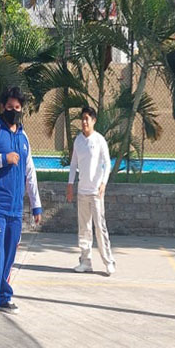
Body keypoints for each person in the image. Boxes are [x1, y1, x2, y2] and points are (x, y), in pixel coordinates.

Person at [0, 86, 42, 324]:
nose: (14, 111)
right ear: (1, 107)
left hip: (16, 208)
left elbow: (30, 171)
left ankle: (3, 294)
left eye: (18, 108)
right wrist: (2, 159)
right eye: (10, 107)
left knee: (9, 254)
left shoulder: (23, 136)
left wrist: (36, 205)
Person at [66, 106, 115, 276]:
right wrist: (70, 185)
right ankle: (85, 261)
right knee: (84, 229)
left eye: (87, 119)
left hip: (96, 193)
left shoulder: (100, 140)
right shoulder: (78, 141)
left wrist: (103, 183)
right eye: (83, 119)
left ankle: (108, 261)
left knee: (100, 227)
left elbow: (107, 163)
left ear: (94, 121)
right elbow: (73, 165)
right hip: (82, 192)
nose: (84, 122)